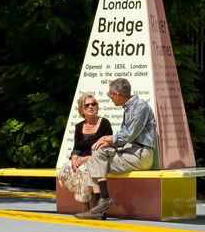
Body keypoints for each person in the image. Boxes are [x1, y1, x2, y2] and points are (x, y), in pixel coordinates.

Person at [75, 78, 156, 220]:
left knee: (95, 161)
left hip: (141, 154)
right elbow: (124, 136)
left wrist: (108, 139)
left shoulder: (140, 107)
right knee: (96, 156)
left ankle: (100, 205)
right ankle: (101, 203)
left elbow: (129, 135)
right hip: (130, 152)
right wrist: (108, 142)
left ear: (117, 94)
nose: (110, 98)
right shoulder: (129, 108)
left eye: (110, 95)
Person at [58, 92, 112, 212]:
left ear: (97, 107)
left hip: (97, 159)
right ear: (82, 109)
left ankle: (86, 204)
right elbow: (76, 148)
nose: (91, 107)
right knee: (66, 169)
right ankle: (89, 199)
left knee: (84, 170)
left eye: (93, 104)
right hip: (81, 159)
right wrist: (74, 159)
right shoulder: (78, 127)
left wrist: (87, 158)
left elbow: (108, 145)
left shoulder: (104, 123)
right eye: (87, 105)